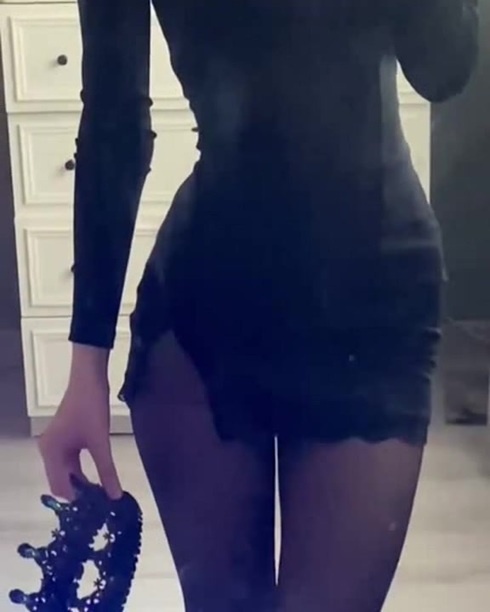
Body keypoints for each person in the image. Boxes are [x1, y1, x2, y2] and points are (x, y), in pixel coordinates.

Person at [38, 1, 478, 610]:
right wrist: (85, 370)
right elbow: (114, 120)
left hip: (373, 302)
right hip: (204, 312)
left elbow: (444, 68)